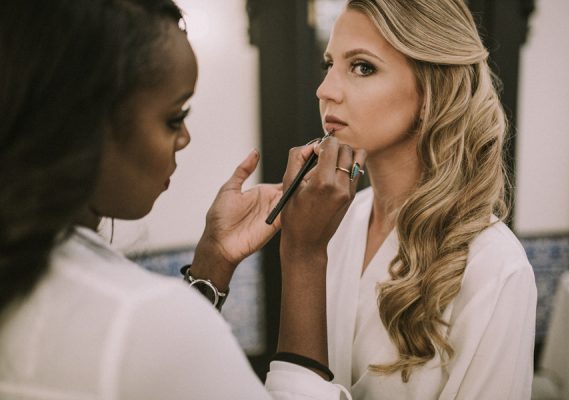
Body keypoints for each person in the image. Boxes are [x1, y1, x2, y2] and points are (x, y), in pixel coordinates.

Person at [0, 1, 366, 399]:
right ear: (82, 127)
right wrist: (303, 253)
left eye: (363, 67)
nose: (185, 137)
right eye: (174, 117)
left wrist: (213, 262)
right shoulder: (141, 318)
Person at [317, 0, 537, 399]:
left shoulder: (494, 268)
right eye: (328, 64)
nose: (325, 90)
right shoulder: (342, 221)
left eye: (362, 67)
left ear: (431, 89)